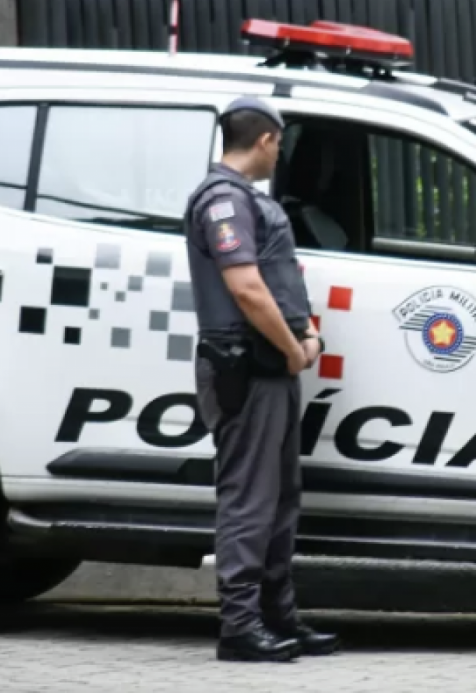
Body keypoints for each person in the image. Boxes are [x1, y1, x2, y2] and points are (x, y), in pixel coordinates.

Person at [184, 96, 339, 663]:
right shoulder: (224, 200)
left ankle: (277, 618)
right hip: (245, 368)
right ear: (268, 140)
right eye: (280, 145)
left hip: (266, 368)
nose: (281, 155)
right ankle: (240, 627)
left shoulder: (247, 199)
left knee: (279, 501)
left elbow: (275, 283)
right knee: (249, 500)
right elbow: (246, 288)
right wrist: (293, 349)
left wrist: (304, 338)